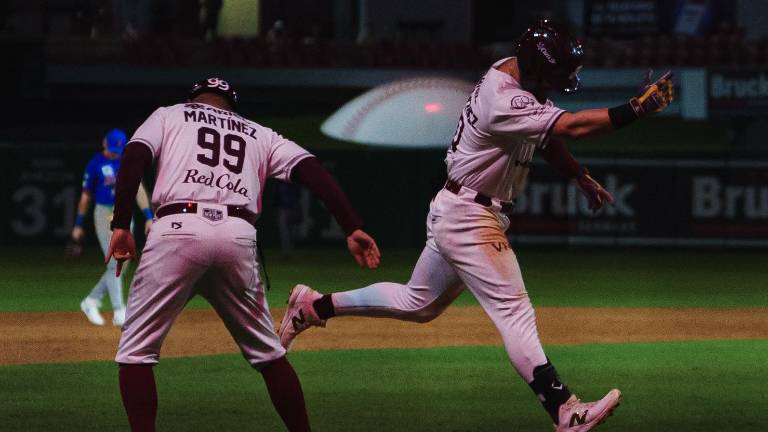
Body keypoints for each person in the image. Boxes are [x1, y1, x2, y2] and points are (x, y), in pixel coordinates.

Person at [278, 19, 673, 432]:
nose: (560, 82)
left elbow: (543, 135)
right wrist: (635, 109)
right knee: (514, 311)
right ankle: (564, 409)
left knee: (420, 304)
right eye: (555, 74)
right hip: (470, 216)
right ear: (537, 69)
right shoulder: (502, 100)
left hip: (459, 206)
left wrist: (576, 175)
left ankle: (312, 306)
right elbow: (570, 126)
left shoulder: (510, 68)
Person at [105, 77, 380, 432]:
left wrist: (121, 223)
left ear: (194, 98)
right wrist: (350, 224)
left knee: (136, 354)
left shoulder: (170, 115)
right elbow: (312, 170)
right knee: (269, 356)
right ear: (231, 105)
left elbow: (135, 155)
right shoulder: (258, 133)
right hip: (237, 234)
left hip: (177, 228)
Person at [71, 128, 154, 327]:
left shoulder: (128, 163)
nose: (114, 152)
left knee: (122, 264)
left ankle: (91, 301)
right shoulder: (95, 164)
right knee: (116, 260)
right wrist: (78, 224)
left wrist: (149, 217)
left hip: (124, 214)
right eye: (112, 148)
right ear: (104, 143)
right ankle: (119, 311)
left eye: (118, 149)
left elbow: (139, 190)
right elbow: (85, 196)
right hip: (104, 213)